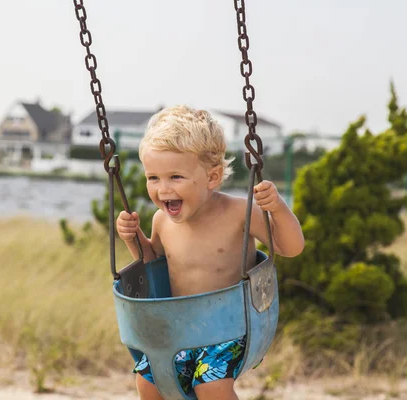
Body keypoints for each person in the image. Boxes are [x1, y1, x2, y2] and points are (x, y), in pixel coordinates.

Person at [116, 105, 304, 400]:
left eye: (175, 177)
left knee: (210, 386)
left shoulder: (239, 213)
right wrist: (133, 237)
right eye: (153, 178)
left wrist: (277, 208)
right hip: (179, 331)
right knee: (148, 382)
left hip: (228, 333)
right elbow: (152, 265)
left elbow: (290, 248)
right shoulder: (161, 220)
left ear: (212, 177)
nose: (162, 189)